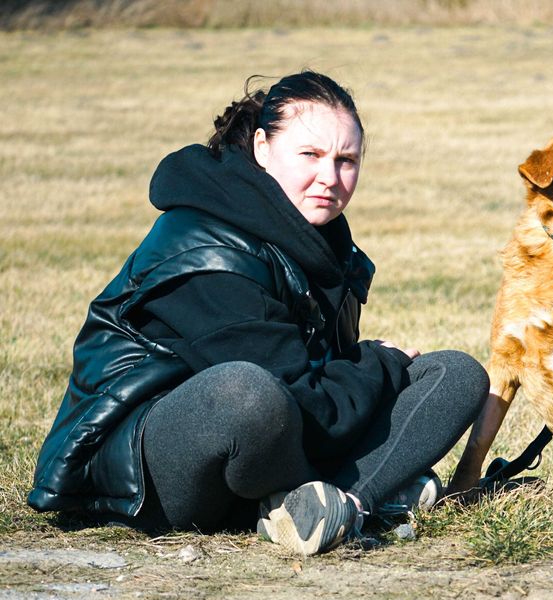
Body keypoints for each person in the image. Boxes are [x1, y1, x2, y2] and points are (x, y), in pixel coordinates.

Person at [28, 71, 489, 556]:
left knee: (454, 374)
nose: (330, 178)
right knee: (249, 396)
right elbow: (310, 406)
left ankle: (340, 507)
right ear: (263, 149)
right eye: (310, 155)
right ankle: (365, 494)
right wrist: (378, 360)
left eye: (346, 160)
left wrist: (372, 370)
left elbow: (318, 394)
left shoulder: (321, 241)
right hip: (156, 463)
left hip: (282, 436)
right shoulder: (204, 247)